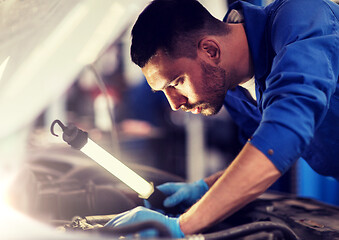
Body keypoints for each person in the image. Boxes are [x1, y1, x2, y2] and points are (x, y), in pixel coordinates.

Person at [105, 0, 339, 237]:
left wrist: (182, 226)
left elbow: (283, 138)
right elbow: (262, 160)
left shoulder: (303, 17)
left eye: (176, 83)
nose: (174, 104)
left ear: (210, 50)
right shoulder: (235, 90)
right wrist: (206, 188)